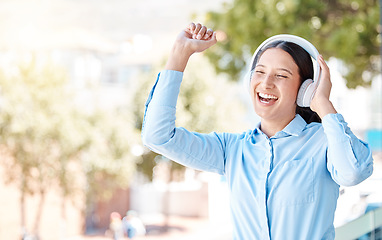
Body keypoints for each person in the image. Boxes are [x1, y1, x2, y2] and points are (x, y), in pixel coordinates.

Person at [141, 23, 374, 239]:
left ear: (305, 89)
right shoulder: (232, 149)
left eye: (281, 75)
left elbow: (353, 172)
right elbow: (158, 136)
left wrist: (322, 103)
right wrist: (179, 55)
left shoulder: (324, 142)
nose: (266, 83)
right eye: (260, 72)